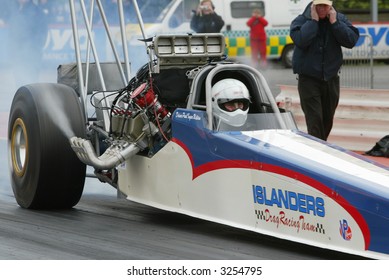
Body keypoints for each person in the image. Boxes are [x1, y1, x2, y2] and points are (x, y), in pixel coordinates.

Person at [290, 0, 359, 141]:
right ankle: (318, 152)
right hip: (308, 80)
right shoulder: (301, 20)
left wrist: (335, 23)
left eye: (325, 6)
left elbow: (351, 41)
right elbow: (301, 40)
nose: (322, 9)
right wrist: (313, 22)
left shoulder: (339, 19)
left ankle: (320, 146)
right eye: (319, 6)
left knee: (327, 120)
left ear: (330, 6)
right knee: (315, 120)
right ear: (313, 6)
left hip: (331, 79)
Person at [5, 0, 49, 86]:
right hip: (17, 56)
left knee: (30, 85)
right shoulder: (15, 11)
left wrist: (32, 50)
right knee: (19, 85)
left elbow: (41, 35)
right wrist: (12, 50)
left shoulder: (37, 12)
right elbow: (11, 33)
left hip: (31, 56)